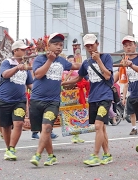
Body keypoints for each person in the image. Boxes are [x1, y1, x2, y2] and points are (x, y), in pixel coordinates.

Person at [29, 33, 81, 166]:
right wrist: (50, 60)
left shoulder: (62, 61)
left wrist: (94, 61)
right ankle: (51, 156)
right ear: (48, 45)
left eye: (61, 45)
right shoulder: (40, 59)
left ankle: (38, 155)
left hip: (53, 101)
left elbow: (76, 66)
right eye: (55, 44)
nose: (59, 47)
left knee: (47, 127)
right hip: (36, 100)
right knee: (43, 131)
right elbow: (38, 74)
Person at [62, 34, 113, 166]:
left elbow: (107, 76)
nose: (90, 48)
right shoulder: (86, 63)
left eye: (92, 45)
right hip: (93, 98)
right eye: (88, 46)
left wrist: (99, 60)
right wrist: (63, 84)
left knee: (97, 125)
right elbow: (79, 78)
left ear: (97, 44)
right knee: (101, 128)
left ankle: (95, 155)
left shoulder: (106, 57)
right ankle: (107, 154)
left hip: (105, 97)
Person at [0, 40, 33, 160]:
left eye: (25, 50)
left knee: (18, 123)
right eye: (23, 49)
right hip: (4, 100)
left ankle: (12, 148)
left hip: (20, 101)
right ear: (15, 51)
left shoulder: (26, 67)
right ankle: (9, 149)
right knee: (6, 126)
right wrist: (17, 68)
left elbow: (30, 85)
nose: (25, 52)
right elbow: (5, 75)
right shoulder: (7, 62)